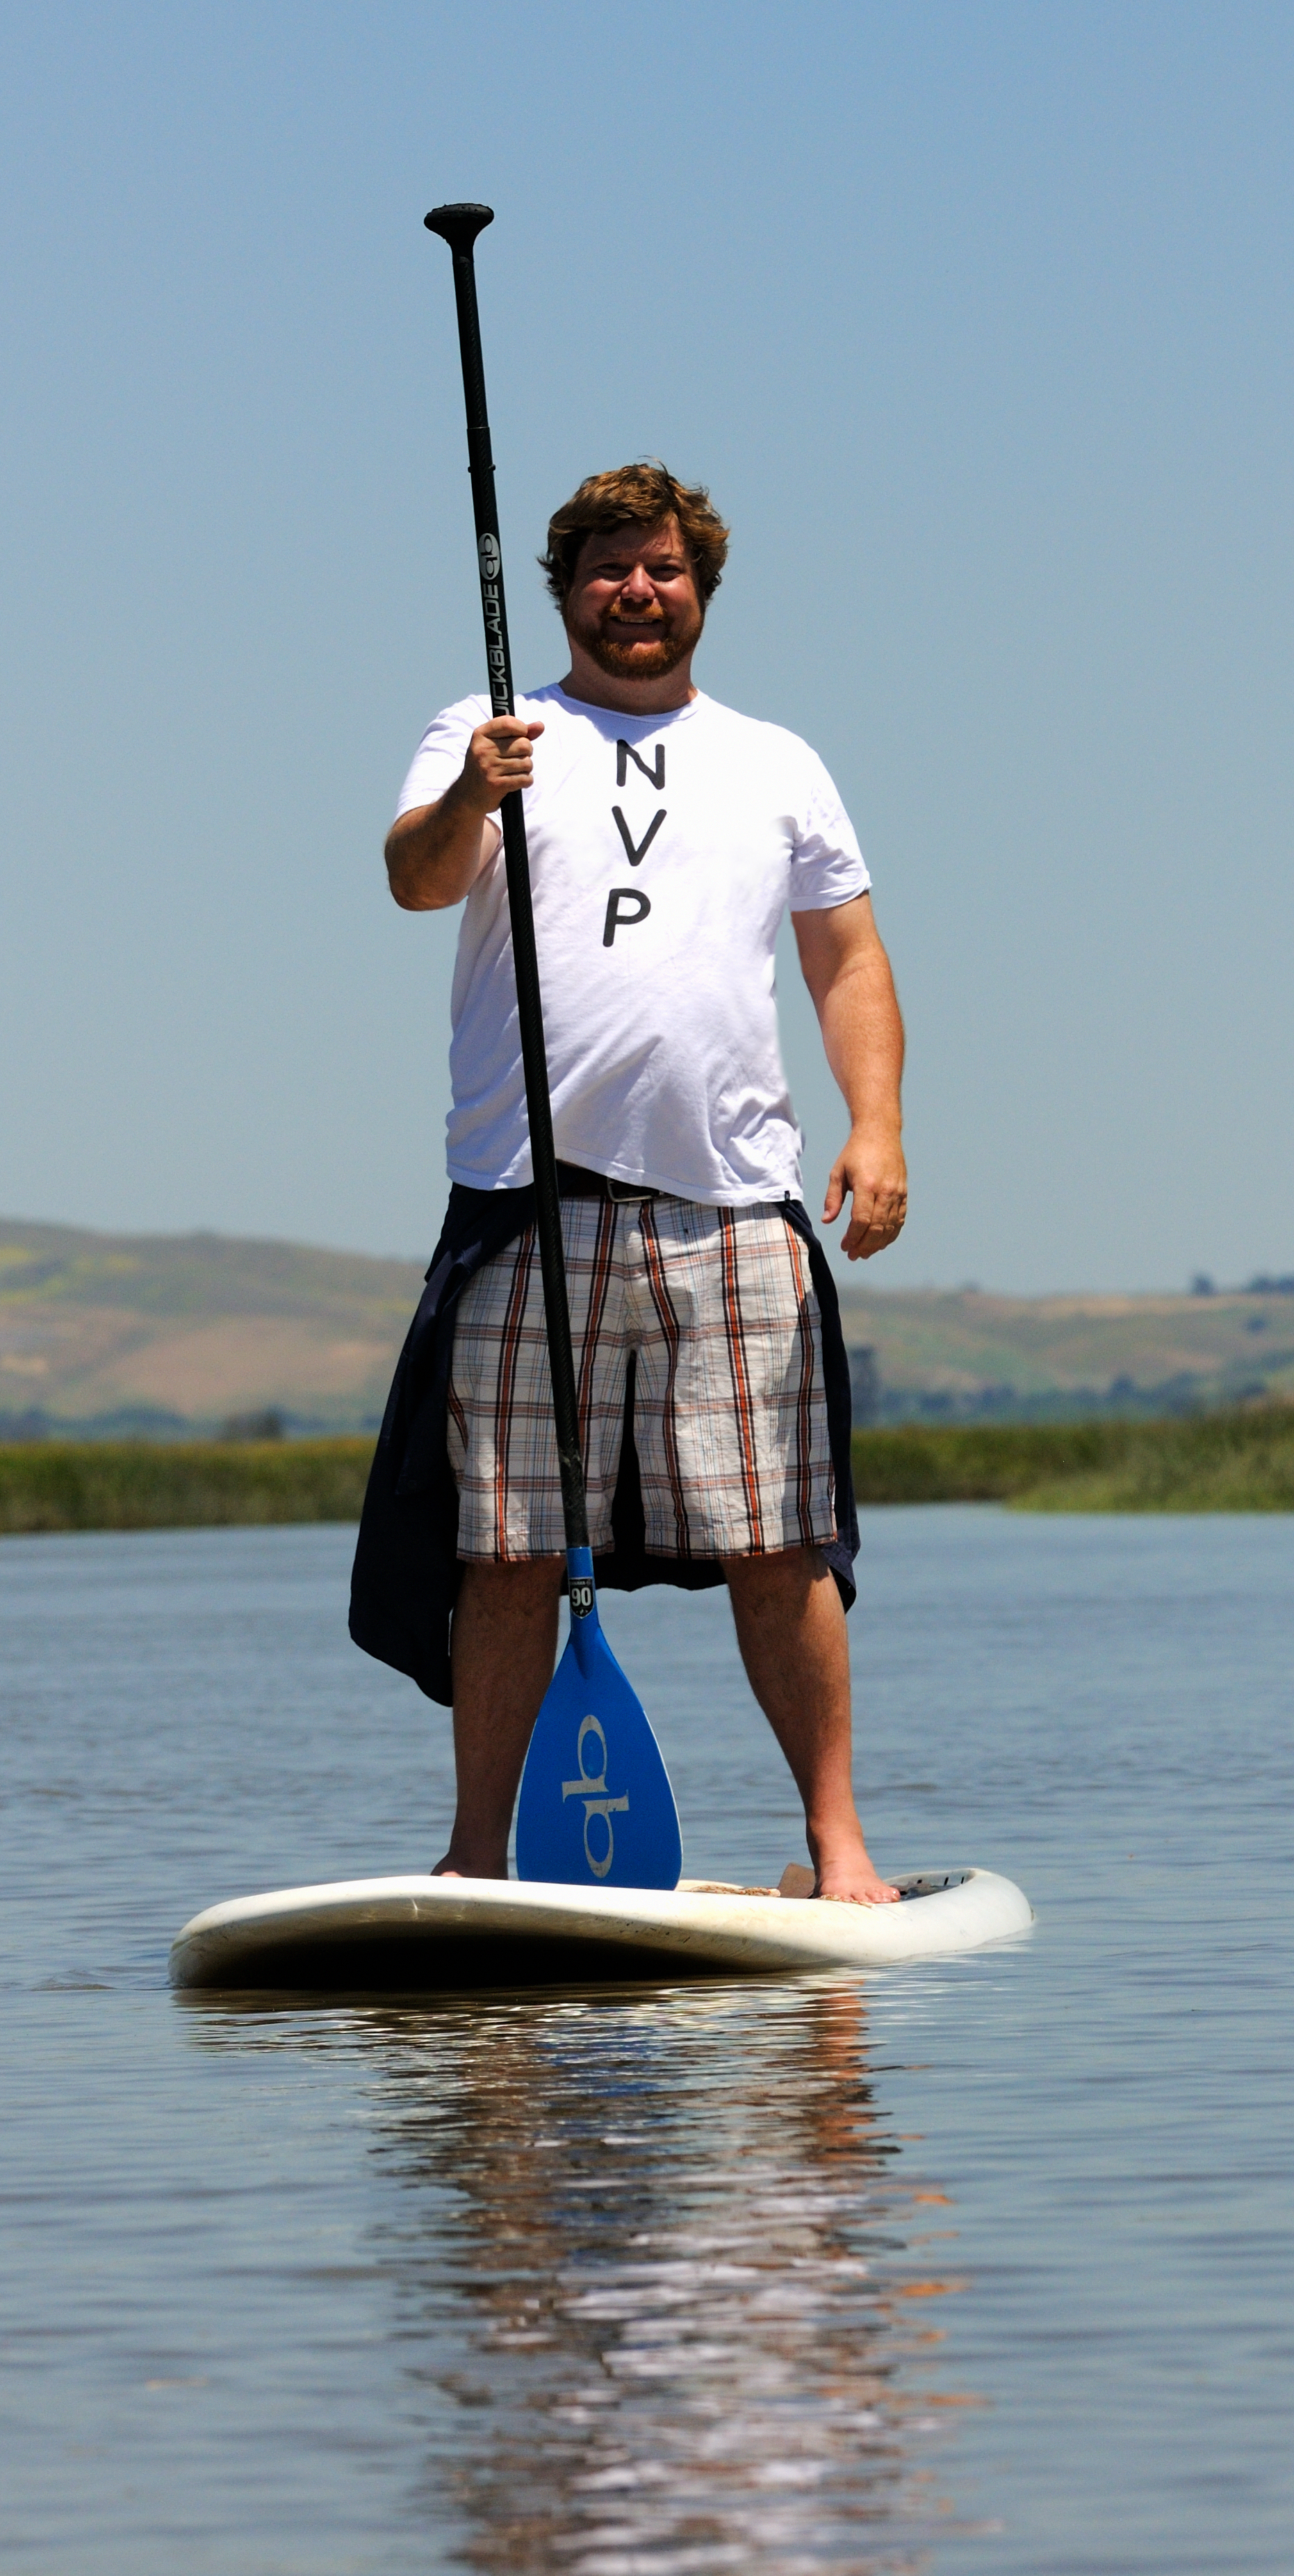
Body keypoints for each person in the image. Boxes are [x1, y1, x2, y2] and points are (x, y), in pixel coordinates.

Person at [354, 462, 908, 1902]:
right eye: (606, 567)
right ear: (564, 589)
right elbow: (415, 880)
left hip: (730, 1205)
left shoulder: (776, 761)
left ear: (701, 587)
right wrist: (474, 788)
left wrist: (876, 1124)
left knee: (779, 1537)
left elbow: (843, 956)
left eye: (661, 567)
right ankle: (479, 1852)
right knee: (509, 1544)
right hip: (526, 1203)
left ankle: (836, 1845)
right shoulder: (488, 732)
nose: (636, 590)